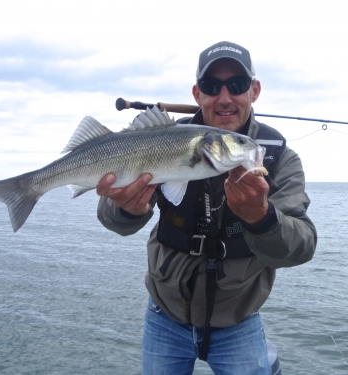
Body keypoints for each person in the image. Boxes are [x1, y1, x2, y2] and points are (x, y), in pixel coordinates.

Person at [96, 41, 317, 375]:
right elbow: (111, 218)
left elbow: (303, 245)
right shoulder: (167, 136)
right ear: (198, 93)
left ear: (254, 90)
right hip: (164, 316)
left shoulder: (277, 158)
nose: (225, 97)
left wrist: (263, 218)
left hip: (238, 322)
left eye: (237, 85)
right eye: (213, 87)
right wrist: (127, 209)